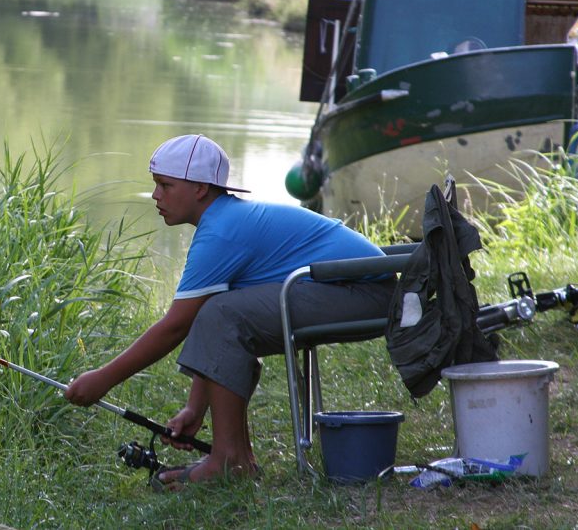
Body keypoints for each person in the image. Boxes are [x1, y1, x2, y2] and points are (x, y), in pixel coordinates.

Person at [64, 134, 394, 488]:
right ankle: (233, 458)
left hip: (362, 292)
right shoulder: (225, 221)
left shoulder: (221, 233)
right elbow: (208, 321)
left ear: (201, 189)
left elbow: (175, 326)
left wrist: (103, 379)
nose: (156, 196)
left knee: (223, 314)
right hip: (346, 289)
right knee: (220, 312)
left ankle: (229, 461)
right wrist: (194, 409)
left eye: (165, 185)